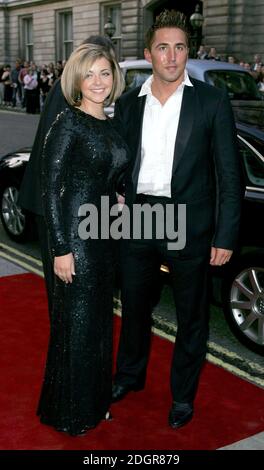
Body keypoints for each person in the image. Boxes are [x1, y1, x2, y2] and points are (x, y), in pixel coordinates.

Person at [112, 10, 242, 429]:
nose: (172, 56)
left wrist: (225, 235)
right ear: (149, 53)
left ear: (190, 52)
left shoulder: (212, 101)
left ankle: (182, 396)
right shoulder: (128, 104)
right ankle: (129, 376)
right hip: (138, 218)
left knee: (192, 315)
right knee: (133, 306)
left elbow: (229, 175)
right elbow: (119, 163)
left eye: (180, 47)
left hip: (189, 221)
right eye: (163, 47)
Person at [37, 43, 129, 436]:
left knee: (98, 325)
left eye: (104, 73)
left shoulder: (109, 124)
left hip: (103, 237)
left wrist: (118, 196)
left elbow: (108, 176)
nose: (97, 81)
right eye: (89, 74)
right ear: (76, 79)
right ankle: (70, 413)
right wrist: (60, 248)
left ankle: (95, 402)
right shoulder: (67, 122)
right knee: (76, 326)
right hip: (75, 241)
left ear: (114, 79)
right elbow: (50, 187)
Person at [18, 35, 115, 316]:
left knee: (67, 298)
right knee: (66, 300)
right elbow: (60, 165)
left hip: (55, 204)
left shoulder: (66, 88)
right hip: (57, 209)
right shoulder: (70, 94)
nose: (101, 78)